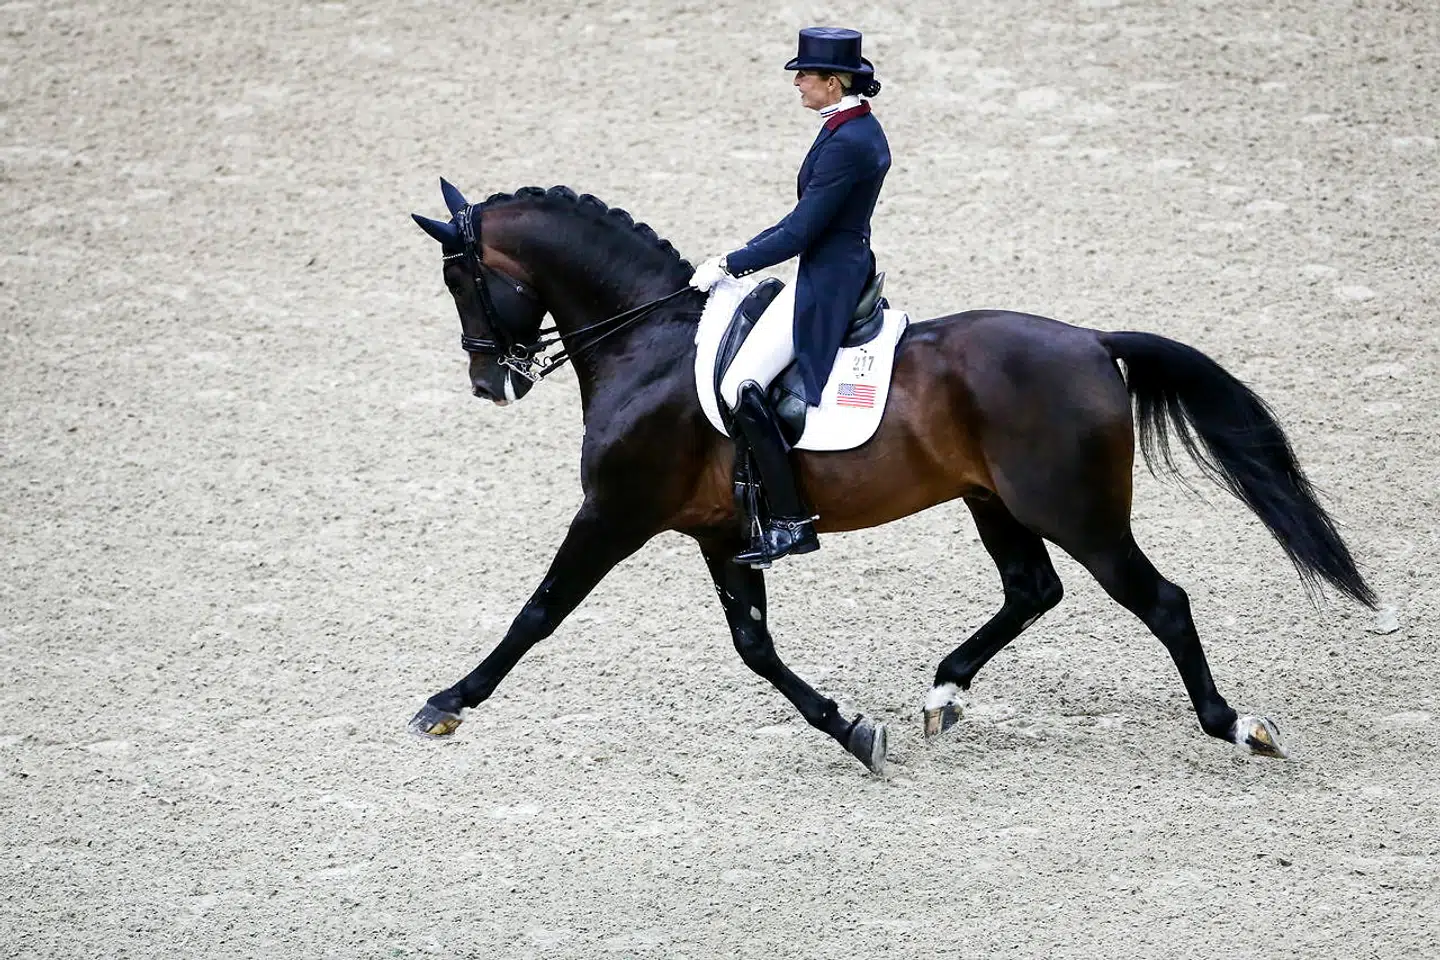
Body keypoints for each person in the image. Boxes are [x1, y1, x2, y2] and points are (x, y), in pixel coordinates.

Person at [690, 26, 891, 567]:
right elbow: (802, 221)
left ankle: (790, 520)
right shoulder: (851, 125)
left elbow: (801, 230)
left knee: (740, 384)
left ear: (833, 81)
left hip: (828, 278)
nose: (797, 83)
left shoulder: (848, 142)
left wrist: (730, 264)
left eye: (804, 75)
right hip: (836, 262)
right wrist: (738, 255)